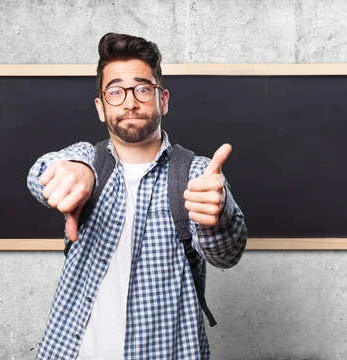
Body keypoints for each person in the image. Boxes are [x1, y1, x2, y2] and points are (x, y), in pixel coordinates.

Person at [26, 32, 247, 360]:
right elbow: (40, 175)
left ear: (163, 100)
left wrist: (220, 214)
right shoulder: (87, 159)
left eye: (143, 89)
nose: (129, 102)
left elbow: (227, 255)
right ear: (101, 108)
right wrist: (75, 171)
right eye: (115, 91)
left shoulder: (197, 172)